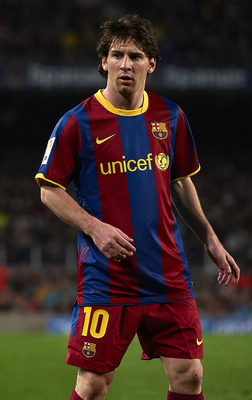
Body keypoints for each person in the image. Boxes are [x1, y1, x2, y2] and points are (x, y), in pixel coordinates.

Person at [35, 14, 240, 400]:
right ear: (104, 62)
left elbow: (181, 181)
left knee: (189, 376)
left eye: (135, 55)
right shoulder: (76, 123)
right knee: (93, 384)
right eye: (117, 55)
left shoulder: (171, 116)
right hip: (107, 277)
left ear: (152, 63)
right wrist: (96, 228)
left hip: (168, 275)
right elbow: (49, 189)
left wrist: (210, 239)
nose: (125, 64)